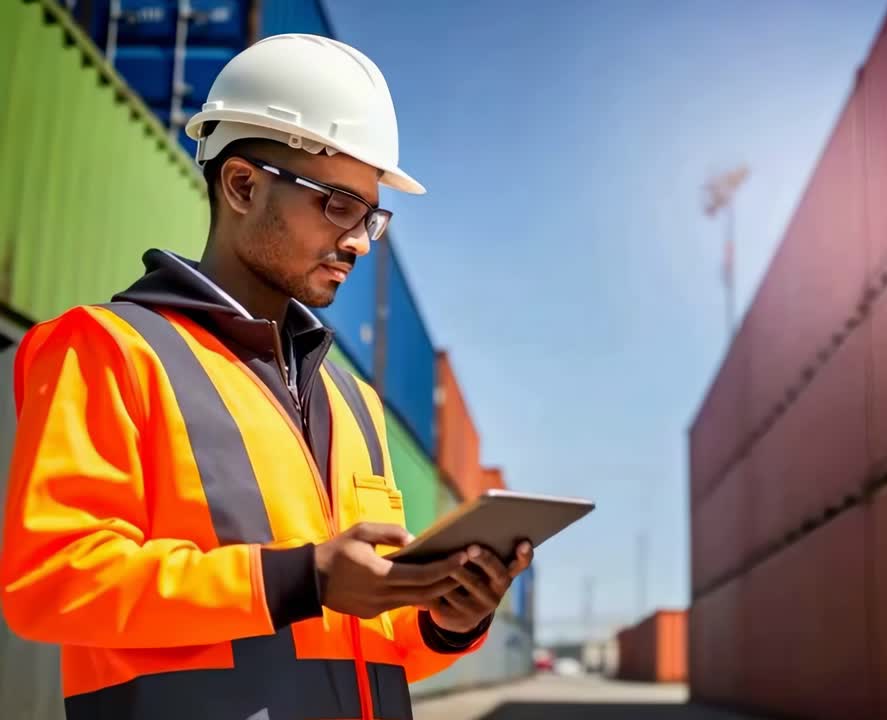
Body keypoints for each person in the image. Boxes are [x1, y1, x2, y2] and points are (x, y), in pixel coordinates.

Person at [0, 33, 530, 720]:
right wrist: (300, 578)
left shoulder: (355, 402)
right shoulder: (109, 350)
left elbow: (369, 644)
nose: (359, 241)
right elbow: (52, 584)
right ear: (244, 185)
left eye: (372, 216)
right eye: (339, 205)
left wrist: (447, 619)